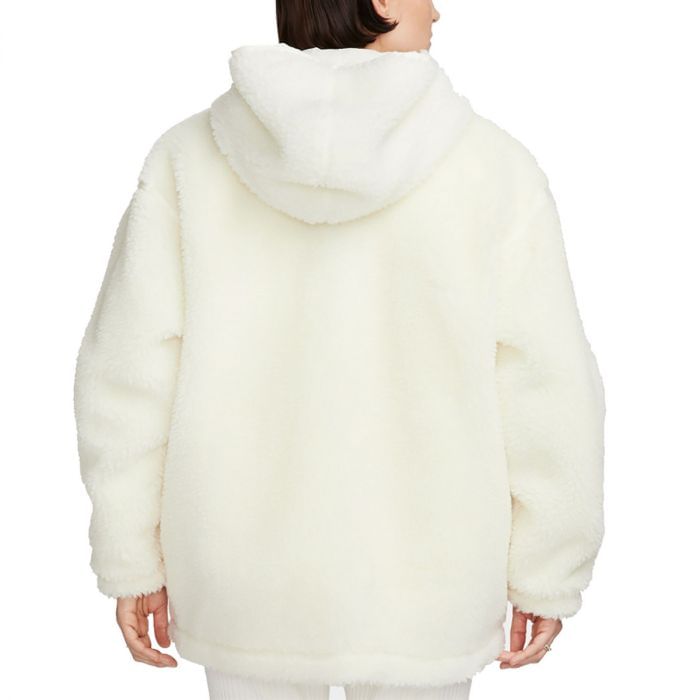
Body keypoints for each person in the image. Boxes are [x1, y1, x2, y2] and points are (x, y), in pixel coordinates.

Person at [72, 1, 606, 698]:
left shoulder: (190, 159)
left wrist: (130, 555)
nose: (437, 10)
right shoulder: (492, 167)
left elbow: (126, 376)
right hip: (430, 582)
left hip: (242, 581)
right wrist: (546, 570)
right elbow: (547, 387)